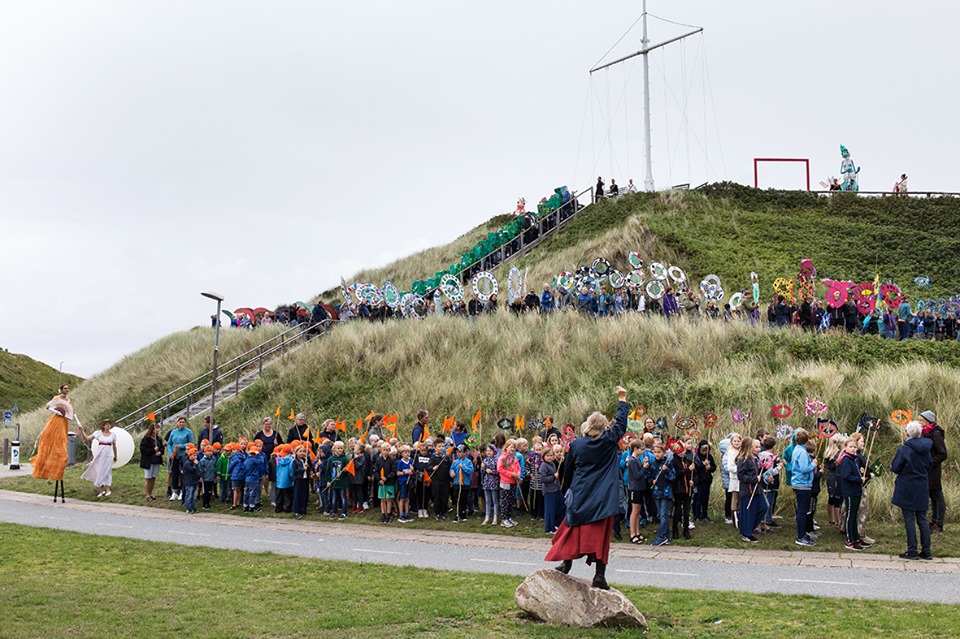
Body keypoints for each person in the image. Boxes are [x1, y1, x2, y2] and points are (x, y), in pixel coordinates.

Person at [545, 385, 629, 590]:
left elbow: (568, 469)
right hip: (603, 496)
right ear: (604, 428)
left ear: (588, 425)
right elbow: (622, 424)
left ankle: (566, 563)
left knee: (572, 528)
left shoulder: (576, 444)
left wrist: (567, 489)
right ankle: (599, 575)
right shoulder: (609, 441)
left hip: (581, 492)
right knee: (600, 536)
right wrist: (622, 399)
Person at [891, 421, 933, 559]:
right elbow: (929, 465)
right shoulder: (926, 448)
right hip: (921, 484)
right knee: (922, 518)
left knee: (909, 518)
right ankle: (926, 550)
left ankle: (912, 550)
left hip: (907, 485)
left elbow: (896, 467)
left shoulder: (904, 449)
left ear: (907, 433)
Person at [31, 384, 77, 482]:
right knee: (50, 439)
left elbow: (71, 412)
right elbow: (48, 406)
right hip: (55, 420)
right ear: (61, 390)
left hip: (64, 422)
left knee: (61, 442)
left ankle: (57, 465)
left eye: (68, 388)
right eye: (65, 388)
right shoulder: (56, 398)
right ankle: (45, 463)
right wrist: (56, 411)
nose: (67, 390)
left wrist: (78, 423)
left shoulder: (68, 401)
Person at [918, 410, 947, 532]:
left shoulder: (935, 434)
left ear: (928, 421)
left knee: (937, 496)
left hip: (933, 471)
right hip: (927, 470)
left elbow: (943, 453)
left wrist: (930, 462)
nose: (919, 423)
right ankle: (934, 521)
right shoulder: (926, 433)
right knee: (932, 496)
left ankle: (939, 523)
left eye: (921, 421)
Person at [645, 443, 676, 548]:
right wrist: (651, 481)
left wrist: (666, 470)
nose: (657, 454)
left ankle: (661, 536)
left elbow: (673, 477)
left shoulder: (668, 463)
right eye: (655, 452)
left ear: (664, 453)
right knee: (661, 514)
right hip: (656, 492)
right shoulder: (653, 464)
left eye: (659, 452)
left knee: (663, 514)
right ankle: (666, 536)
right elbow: (649, 476)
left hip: (666, 492)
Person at [838, 438, 866, 550]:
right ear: (845, 447)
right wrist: (859, 479)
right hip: (849, 491)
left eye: (855, 447)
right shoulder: (846, 460)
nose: (853, 449)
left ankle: (855, 538)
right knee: (850, 515)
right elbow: (846, 476)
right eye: (851, 447)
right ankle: (849, 540)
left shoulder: (853, 459)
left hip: (856, 490)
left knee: (854, 514)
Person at [78, 420, 118, 497]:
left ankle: (108, 489)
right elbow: (87, 438)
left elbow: (114, 446)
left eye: (109, 424)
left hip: (109, 454)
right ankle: (101, 489)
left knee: (107, 471)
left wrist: (115, 456)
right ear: (103, 426)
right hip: (100, 454)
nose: (108, 426)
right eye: (106, 424)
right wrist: (82, 431)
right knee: (100, 470)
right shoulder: (98, 433)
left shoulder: (113, 435)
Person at [791, 428, 817, 546]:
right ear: (807, 440)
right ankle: (800, 536)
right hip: (802, 484)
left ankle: (803, 534)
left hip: (801, 483)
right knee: (802, 511)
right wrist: (813, 464)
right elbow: (804, 469)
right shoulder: (802, 452)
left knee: (803, 510)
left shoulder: (798, 449)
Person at [166, 417, 194, 501]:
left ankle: (182, 491)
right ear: (177, 423)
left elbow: (191, 443)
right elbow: (169, 443)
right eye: (180, 422)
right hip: (175, 456)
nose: (181, 423)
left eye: (183, 422)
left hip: (184, 456)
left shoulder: (188, 432)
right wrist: (171, 453)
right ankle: (175, 491)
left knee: (183, 473)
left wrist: (181, 446)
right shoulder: (173, 432)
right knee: (174, 473)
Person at [540, 447, 563, 534]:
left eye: (551, 455)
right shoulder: (543, 466)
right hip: (549, 491)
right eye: (548, 456)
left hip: (556, 489)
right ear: (544, 457)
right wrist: (553, 477)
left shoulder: (552, 463)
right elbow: (542, 479)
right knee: (550, 510)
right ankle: (549, 528)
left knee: (562, 505)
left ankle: (556, 523)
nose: (550, 457)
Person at [139, 422, 164, 501]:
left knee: (153, 478)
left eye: (158, 428)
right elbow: (143, 450)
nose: (158, 430)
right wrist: (153, 450)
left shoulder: (159, 439)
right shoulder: (146, 439)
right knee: (148, 478)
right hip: (148, 461)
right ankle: (147, 495)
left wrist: (160, 452)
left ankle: (151, 493)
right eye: (156, 428)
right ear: (152, 430)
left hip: (156, 461)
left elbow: (162, 448)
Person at [450, 445, 474, 522]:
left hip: (465, 483)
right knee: (457, 498)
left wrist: (463, 467)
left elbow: (471, 471)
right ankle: (457, 513)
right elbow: (451, 469)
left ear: (465, 452)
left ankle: (463, 513)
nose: (458, 454)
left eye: (460, 452)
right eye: (457, 452)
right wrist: (451, 472)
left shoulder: (468, 461)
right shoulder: (455, 462)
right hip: (457, 482)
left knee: (463, 498)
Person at [480, 444, 500, 525]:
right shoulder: (484, 460)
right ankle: (487, 517)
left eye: (490, 451)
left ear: (494, 451)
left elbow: (499, 471)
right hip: (486, 482)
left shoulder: (497, 460)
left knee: (495, 500)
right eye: (487, 451)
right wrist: (482, 468)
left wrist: (492, 472)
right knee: (487, 500)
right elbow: (482, 473)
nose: (488, 452)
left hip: (494, 482)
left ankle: (495, 517)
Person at [180, 448, 201, 513]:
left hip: (194, 481)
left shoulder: (194, 463)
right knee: (189, 495)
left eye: (196, 455)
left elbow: (197, 471)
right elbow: (191, 470)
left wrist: (199, 477)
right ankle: (188, 508)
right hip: (189, 482)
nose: (195, 457)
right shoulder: (187, 463)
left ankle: (193, 507)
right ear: (189, 455)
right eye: (194, 455)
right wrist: (195, 465)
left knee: (193, 496)